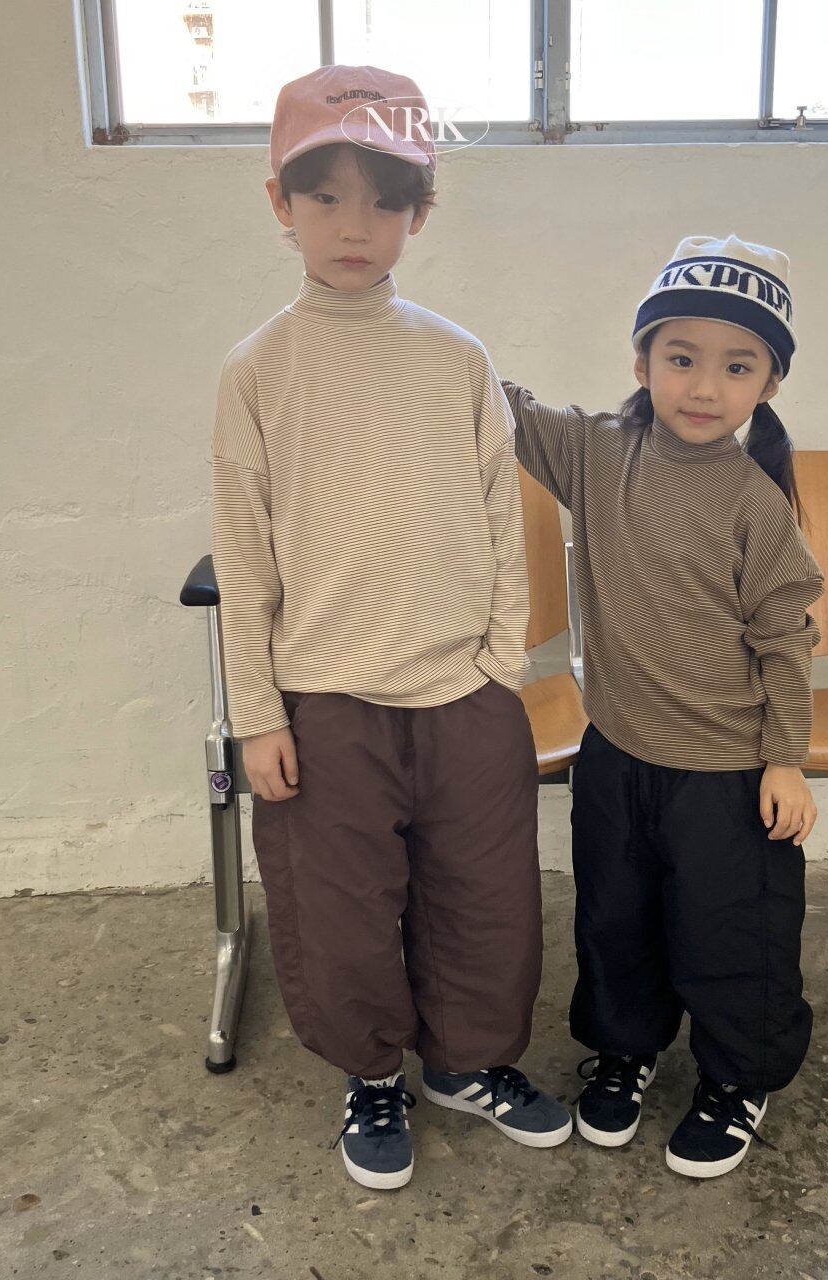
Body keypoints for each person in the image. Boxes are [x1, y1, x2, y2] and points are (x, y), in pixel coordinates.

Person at [209, 64, 571, 1192]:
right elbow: (244, 555)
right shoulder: (256, 371)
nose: (354, 227)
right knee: (341, 909)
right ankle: (372, 1075)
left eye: (383, 201)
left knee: (484, 895)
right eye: (325, 197)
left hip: (463, 690)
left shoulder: (456, 357)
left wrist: (498, 661)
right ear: (280, 202)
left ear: (422, 211)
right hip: (325, 700)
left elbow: (500, 518)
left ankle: (468, 1063)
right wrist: (258, 713)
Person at [502, 235, 823, 1178]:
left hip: (727, 775)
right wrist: (401, 323)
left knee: (733, 936)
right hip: (616, 754)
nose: (704, 386)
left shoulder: (755, 503)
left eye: (738, 365)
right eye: (681, 357)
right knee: (616, 919)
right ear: (641, 361)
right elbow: (499, 405)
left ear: (769, 383)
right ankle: (625, 1048)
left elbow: (785, 638)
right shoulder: (596, 452)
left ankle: (736, 1077)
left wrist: (787, 758)